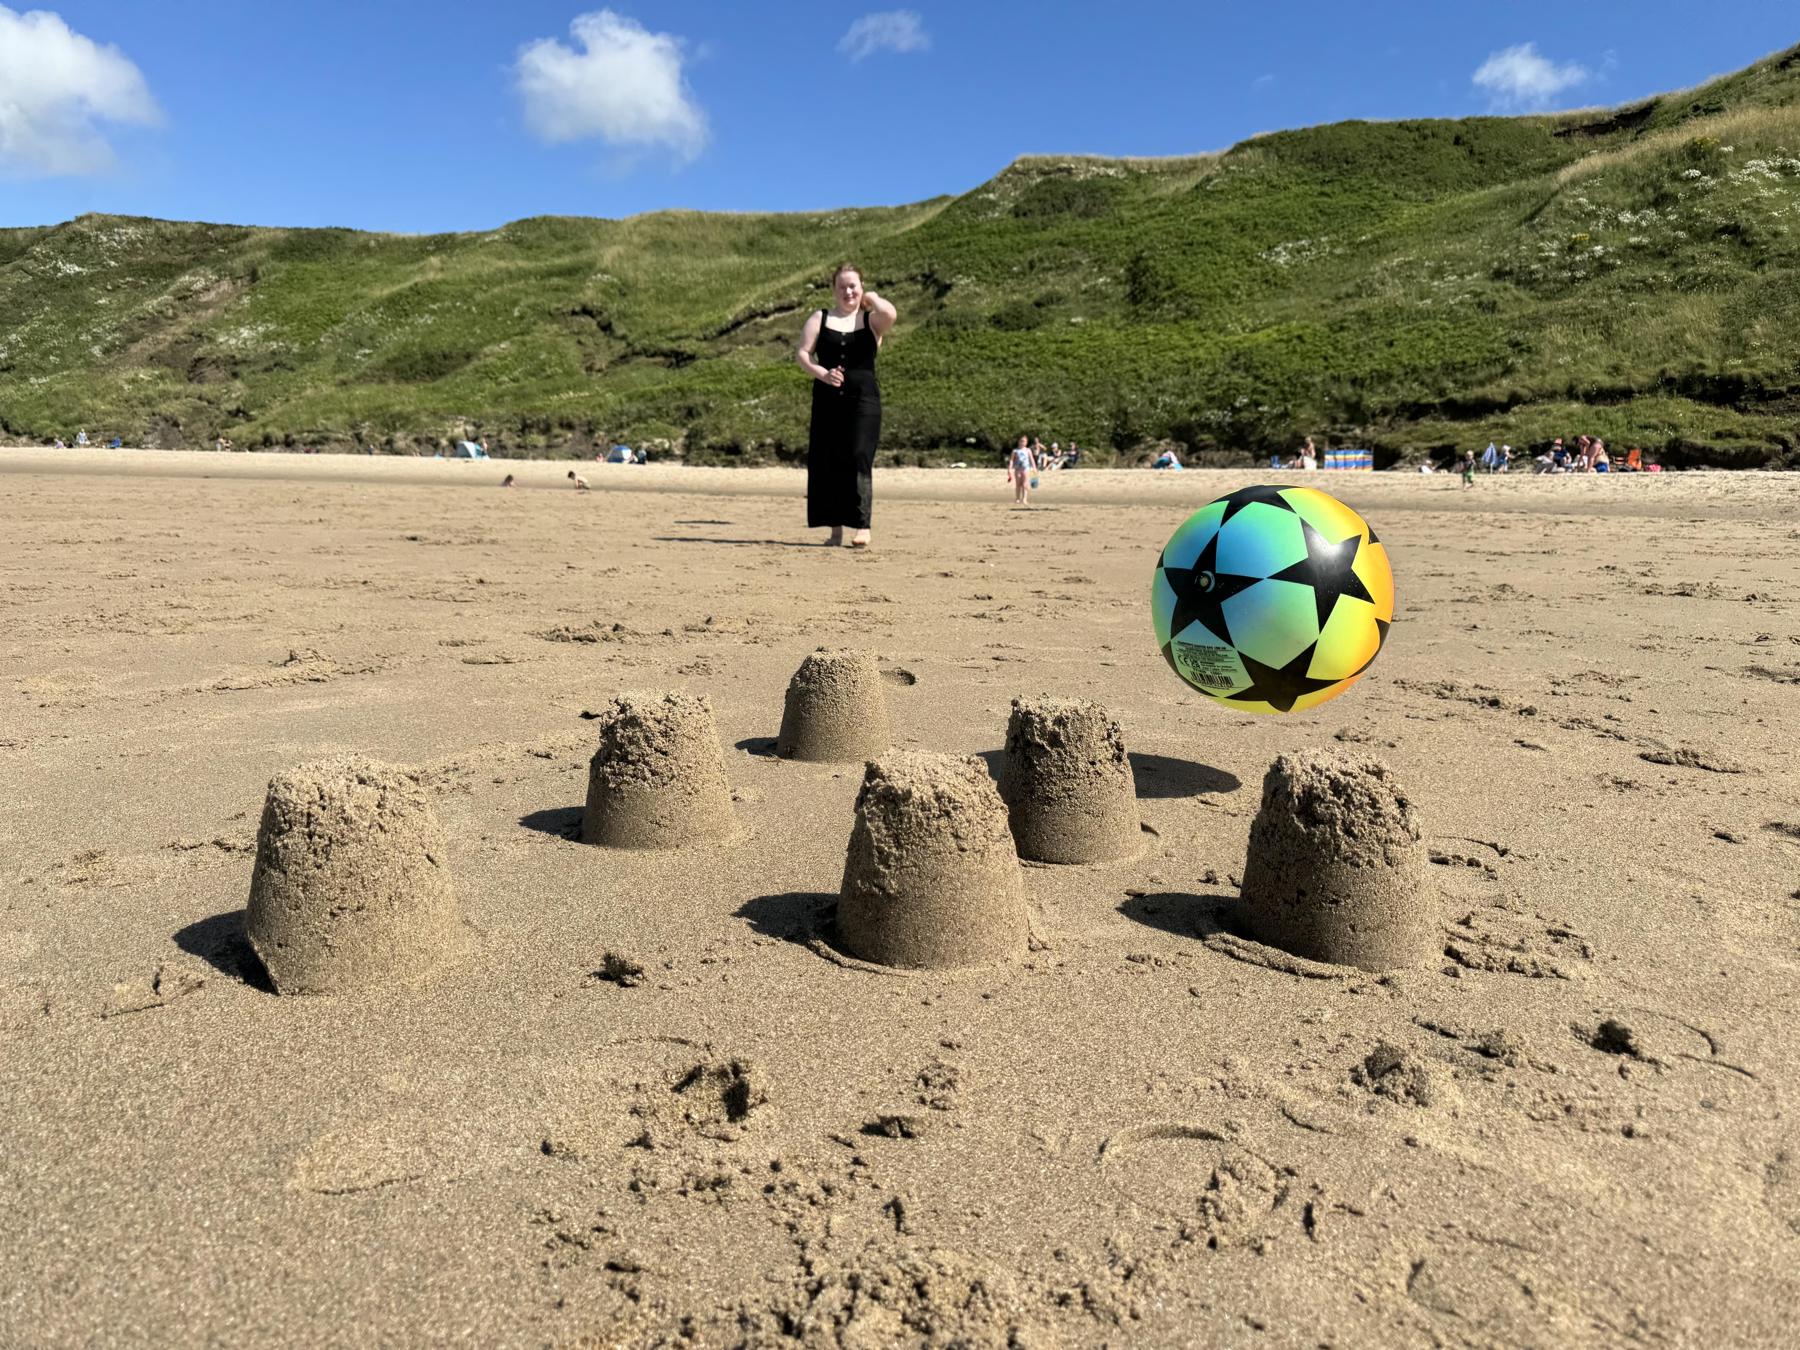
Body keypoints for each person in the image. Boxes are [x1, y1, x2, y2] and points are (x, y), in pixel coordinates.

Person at [795, 262, 896, 548]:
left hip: (864, 401)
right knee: (829, 461)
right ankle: (836, 530)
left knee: (859, 457)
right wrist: (821, 373)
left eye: (853, 285)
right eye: (842, 286)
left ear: (861, 288)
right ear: (834, 290)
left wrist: (872, 298)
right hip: (827, 400)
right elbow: (802, 353)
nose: (848, 291)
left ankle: (862, 526)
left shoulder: (871, 321)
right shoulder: (820, 317)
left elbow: (890, 313)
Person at [1008, 435, 1037, 505]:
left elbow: (1031, 459)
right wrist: (1009, 469)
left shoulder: (1028, 450)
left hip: (1026, 468)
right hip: (1017, 469)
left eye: (1024, 441)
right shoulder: (1015, 451)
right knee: (1018, 484)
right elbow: (1011, 460)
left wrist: (1034, 468)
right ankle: (1017, 498)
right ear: (1018, 442)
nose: (1022, 443)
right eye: (1021, 441)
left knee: (1025, 484)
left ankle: (1024, 499)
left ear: (1026, 442)